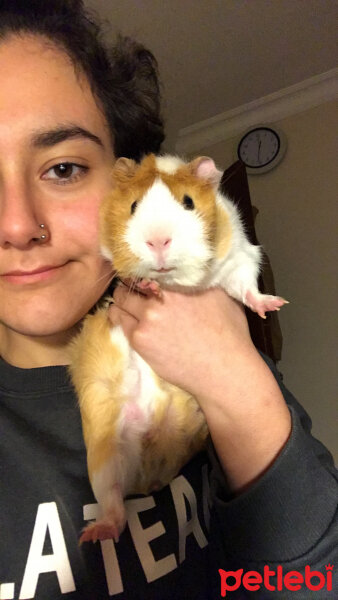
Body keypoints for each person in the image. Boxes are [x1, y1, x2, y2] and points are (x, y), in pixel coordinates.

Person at [0, 1, 336, 599]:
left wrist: (236, 379)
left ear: (122, 176)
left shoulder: (210, 338)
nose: (19, 225)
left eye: (64, 168)